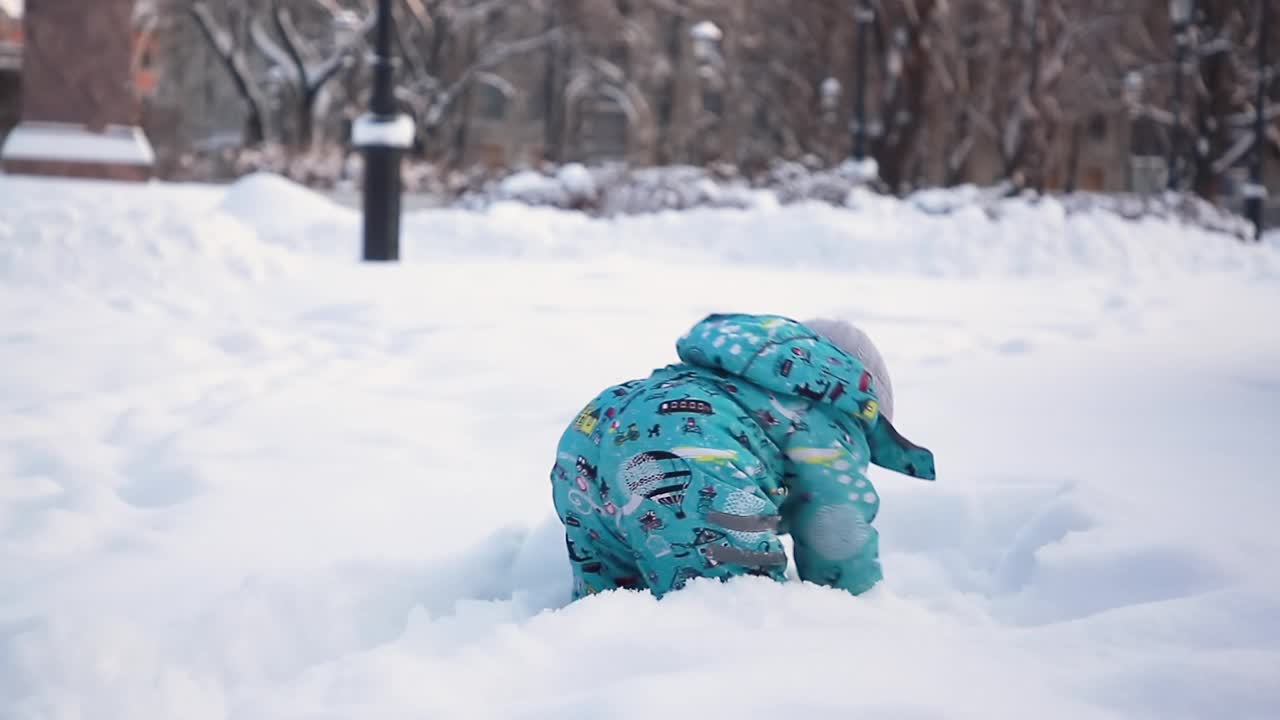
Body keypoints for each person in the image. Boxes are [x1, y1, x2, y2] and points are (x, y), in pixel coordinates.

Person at [549, 313, 935, 600]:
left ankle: (597, 655)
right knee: (735, 605)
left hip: (591, 436)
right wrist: (856, 605)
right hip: (692, 454)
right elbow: (834, 527)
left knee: (615, 598)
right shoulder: (826, 416)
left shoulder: (731, 377)